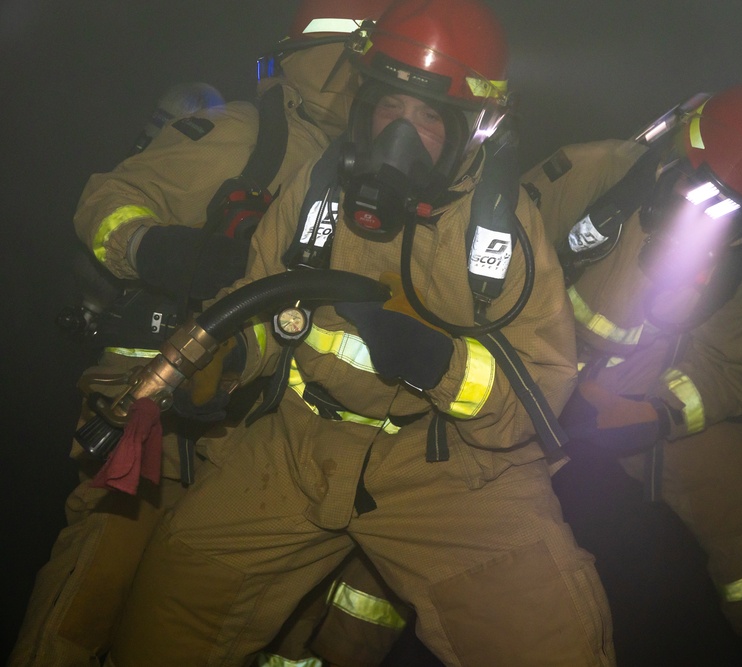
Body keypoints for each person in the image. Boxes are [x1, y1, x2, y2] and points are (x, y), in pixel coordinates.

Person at [100, 0, 615, 665]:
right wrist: (226, 363)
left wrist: (444, 366)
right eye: (390, 108)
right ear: (363, 103)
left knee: (552, 641)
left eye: (430, 117)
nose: (401, 135)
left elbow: (541, 394)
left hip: (448, 470)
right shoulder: (316, 189)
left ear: (473, 130)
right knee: (168, 618)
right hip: (297, 444)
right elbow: (256, 305)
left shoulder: (502, 234)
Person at [8, 2, 392, 665]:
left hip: (276, 447)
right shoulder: (250, 136)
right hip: (159, 412)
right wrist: (158, 248)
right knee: (91, 596)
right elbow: (107, 199)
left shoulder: (389, 189)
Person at [521, 82, 742, 657]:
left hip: (636, 402)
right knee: (471, 509)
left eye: (733, 214)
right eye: (700, 191)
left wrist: (657, 414)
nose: (707, 218)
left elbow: (733, 367)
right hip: (527, 384)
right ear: (678, 154)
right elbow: (487, 273)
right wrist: (550, 385)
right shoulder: (591, 176)